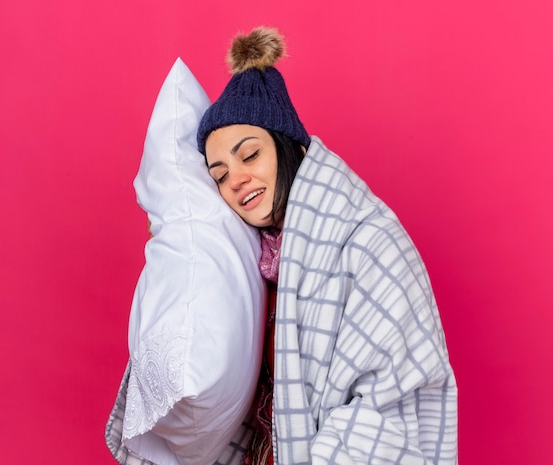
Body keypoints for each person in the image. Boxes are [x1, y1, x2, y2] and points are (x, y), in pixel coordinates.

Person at [196, 27, 457, 465]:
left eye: (250, 155)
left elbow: (389, 402)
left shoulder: (369, 240)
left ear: (290, 147)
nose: (236, 180)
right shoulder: (257, 258)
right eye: (219, 175)